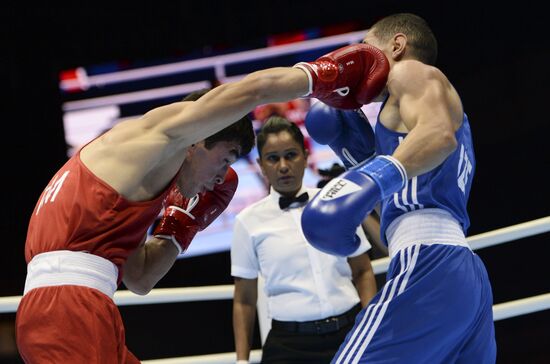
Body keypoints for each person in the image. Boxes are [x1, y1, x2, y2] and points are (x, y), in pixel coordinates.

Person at [15, 41, 391, 363]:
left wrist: (179, 225)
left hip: (83, 305)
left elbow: (140, 278)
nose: (221, 176)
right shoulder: (153, 135)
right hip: (66, 310)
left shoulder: (128, 192)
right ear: (199, 138)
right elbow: (250, 92)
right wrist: (324, 75)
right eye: (226, 158)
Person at [301, 13, 496, 363]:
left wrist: (369, 175)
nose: (357, 60)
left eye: (365, 47)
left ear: (397, 45)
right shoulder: (410, 121)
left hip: (429, 262)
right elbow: (407, 202)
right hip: (461, 272)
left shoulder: (411, 72)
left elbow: (439, 136)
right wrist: (356, 157)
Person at [231, 117, 378, 364]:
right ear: (261, 165)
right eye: (273, 158)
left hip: (350, 333)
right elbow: (244, 300)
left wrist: (371, 327)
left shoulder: (336, 203)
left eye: (290, 155)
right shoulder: (247, 221)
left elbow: (363, 271)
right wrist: (242, 361)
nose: (283, 166)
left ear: (306, 155)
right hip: (290, 347)